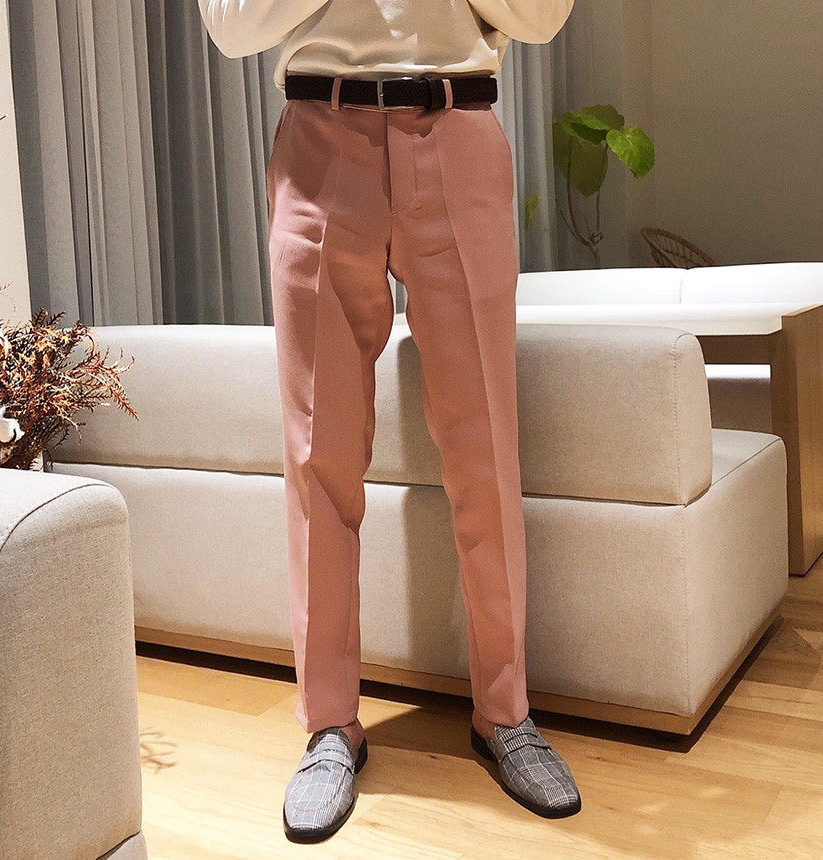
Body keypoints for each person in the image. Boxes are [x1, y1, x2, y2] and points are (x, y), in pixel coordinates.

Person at [198, 0, 581, 843]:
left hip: (459, 129)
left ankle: (505, 711)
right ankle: (329, 724)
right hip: (318, 142)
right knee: (319, 452)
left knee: (485, 446)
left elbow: (540, 17)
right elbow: (230, 27)